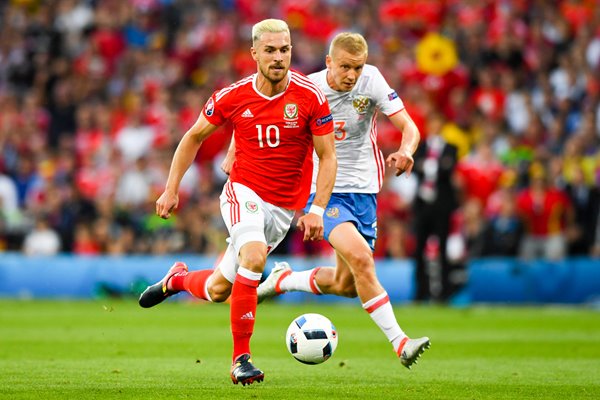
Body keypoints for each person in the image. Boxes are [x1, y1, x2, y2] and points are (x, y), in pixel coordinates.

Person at [138, 19, 337, 386]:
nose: (279, 57)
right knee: (255, 256)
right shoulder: (233, 95)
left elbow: (328, 155)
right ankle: (240, 360)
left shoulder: (310, 96)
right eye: (271, 50)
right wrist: (171, 188)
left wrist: (316, 209)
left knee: (217, 290)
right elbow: (193, 136)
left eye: (285, 49)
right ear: (254, 53)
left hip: (282, 208)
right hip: (242, 191)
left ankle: (176, 281)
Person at [255, 32, 430, 368]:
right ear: (329, 63)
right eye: (346, 67)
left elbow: (409, 127)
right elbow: (266, 119)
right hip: (323, 189)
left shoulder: (372, 80)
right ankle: (400, 342)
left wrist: (406, 151)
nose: (352, 75)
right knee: (362, 259)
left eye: (358, 67)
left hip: (364, 191)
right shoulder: (307, 89)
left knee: (346, 284)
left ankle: (283, 280)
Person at [411, 112, 459, 302]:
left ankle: (444, 293)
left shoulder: (451, 148)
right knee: (419, 250)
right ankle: (420, 292)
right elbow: (414, 167)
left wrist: (429, 166)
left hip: (441, 206)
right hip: (423, 206)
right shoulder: (421, 147)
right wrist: (437, 166)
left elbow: (449, 169)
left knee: (443, 249)